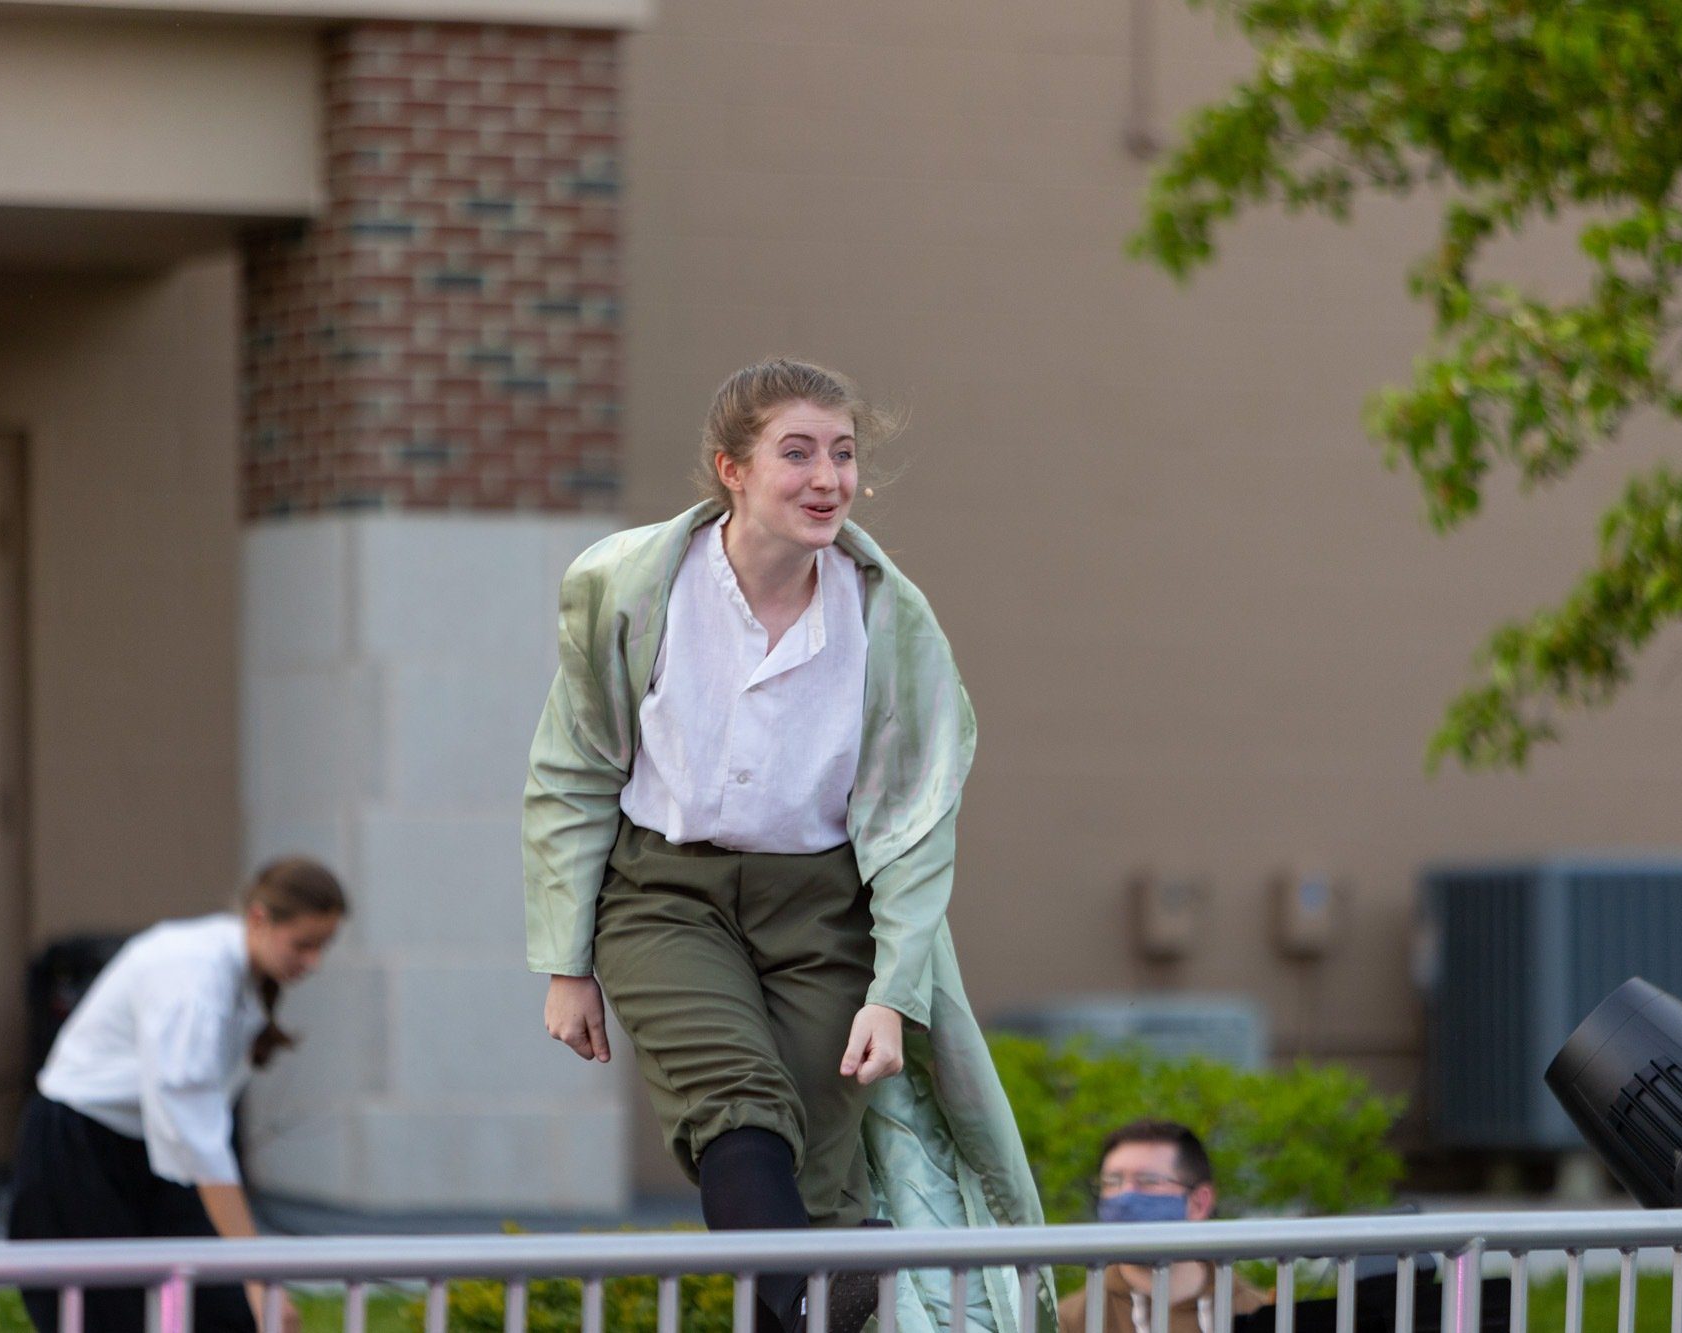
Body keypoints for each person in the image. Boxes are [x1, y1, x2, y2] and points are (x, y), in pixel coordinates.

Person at [523, 358, 1049, 1333]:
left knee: (819, 1167)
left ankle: (813, 1292)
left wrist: (892, 991)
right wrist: (563, 962)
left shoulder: (889, 618)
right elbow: (571, 770)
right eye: (796, 453)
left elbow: (915, 820)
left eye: (843, 455)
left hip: (823, 905)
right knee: (735, 1101)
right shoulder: (635, 588)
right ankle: (813, 1296)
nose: (827, 478)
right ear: (730, 468)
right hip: (660, 892)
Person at [8, 858, 348, 1333]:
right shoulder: (192, 977)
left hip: (152, 1152)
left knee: (227, 1314)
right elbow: (198, 1140)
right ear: (258, 919)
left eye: (324, 946)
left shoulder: (238, 971)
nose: (313, 962)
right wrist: (258, 1279)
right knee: (106, 1317)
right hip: (78, 1152)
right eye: (304, 945)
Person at [1060, 1120, 1270, 1333]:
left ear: (1199, 1203)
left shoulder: (1263, 1317)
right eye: (1111, 1182)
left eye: (1148, 1181)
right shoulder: (1070, 1322)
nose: (1124, 1197)